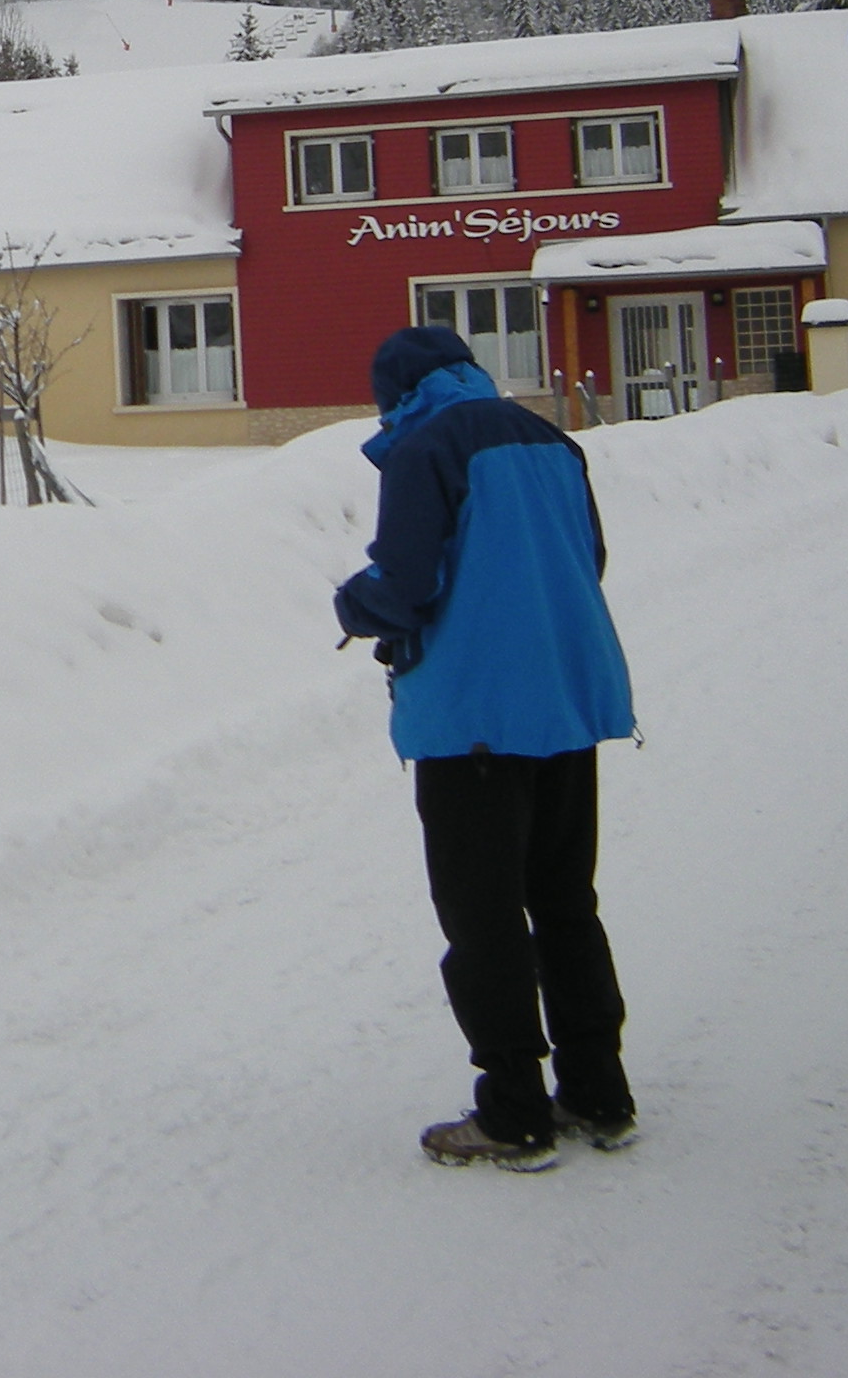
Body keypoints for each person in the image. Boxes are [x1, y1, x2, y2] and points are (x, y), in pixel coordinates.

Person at [334, 325, 638, 1174]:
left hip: (473, 716)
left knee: (483, 917)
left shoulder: (424, 448)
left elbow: (406, 584)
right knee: (565, 901)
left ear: (398, 394)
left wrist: (352, 606)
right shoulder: (552, 441)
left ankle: (513, 1111)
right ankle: (598, 1092)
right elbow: (590, 558)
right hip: (567, 701)